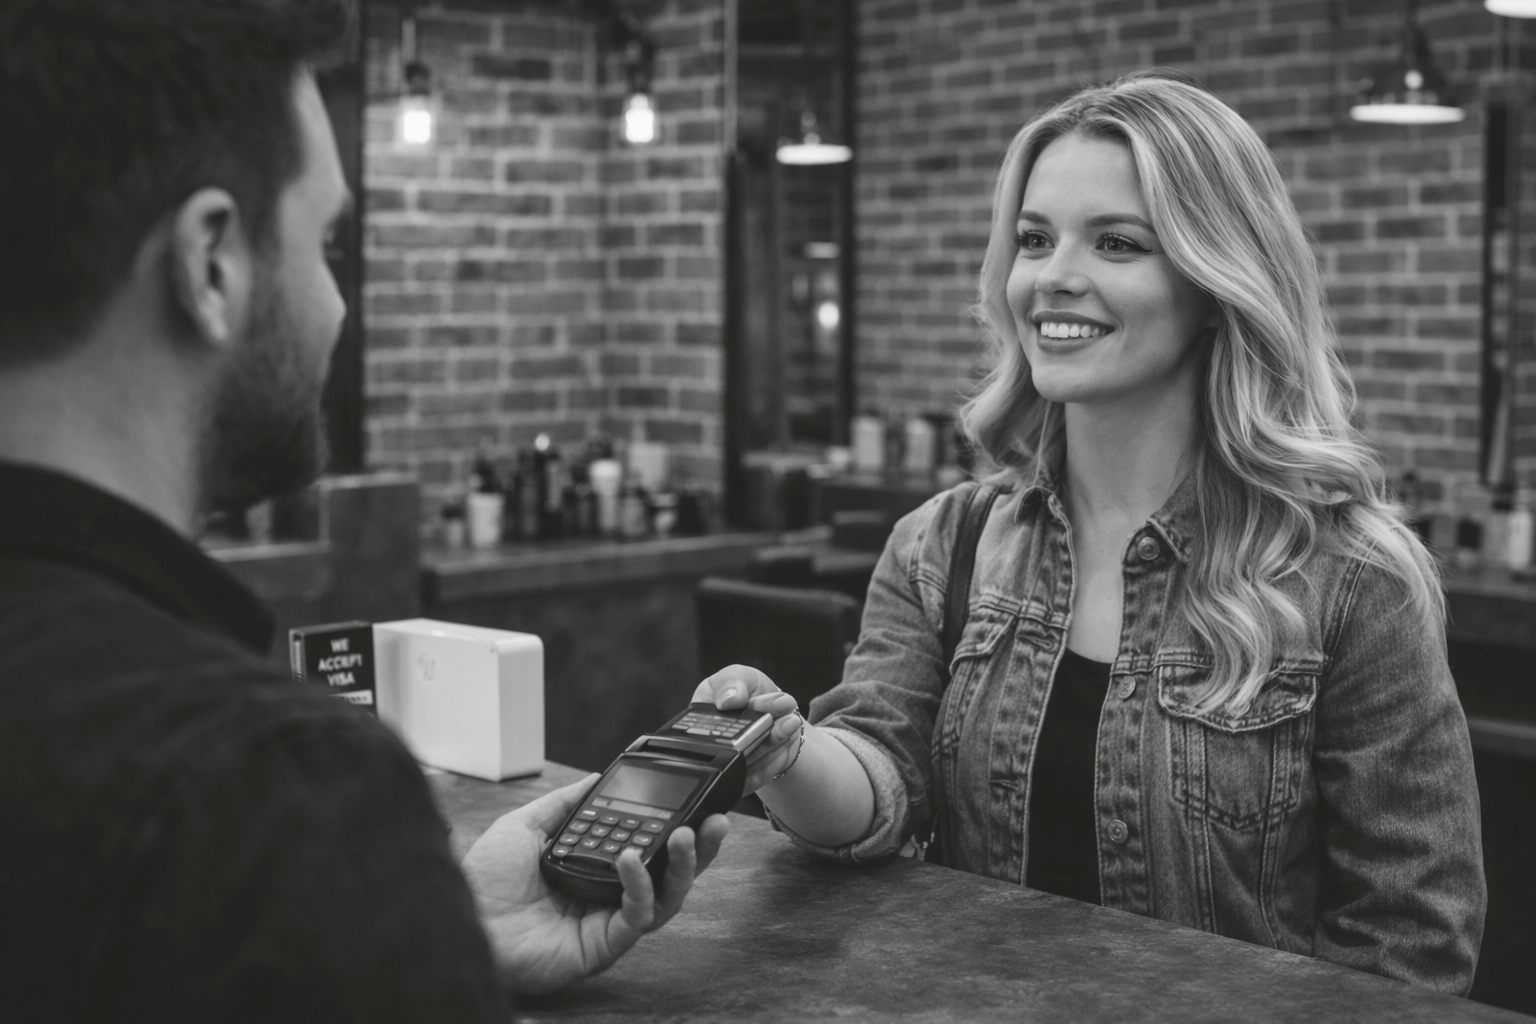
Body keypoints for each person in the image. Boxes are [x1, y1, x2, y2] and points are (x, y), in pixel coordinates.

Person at [0, 1, 727, 1019]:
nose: (337, 305)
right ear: (211, 262)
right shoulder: (269, 789)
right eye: (328, 243)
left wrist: (435, 936)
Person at [701, 71, 1485, 995]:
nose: (1052, 276)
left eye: (1116, 242)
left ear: (1215, 280)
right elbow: (883, 771)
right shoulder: (944, 542)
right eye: (1034, 240)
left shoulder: (1349, 579)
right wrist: (788, 752)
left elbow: (1409, 946)